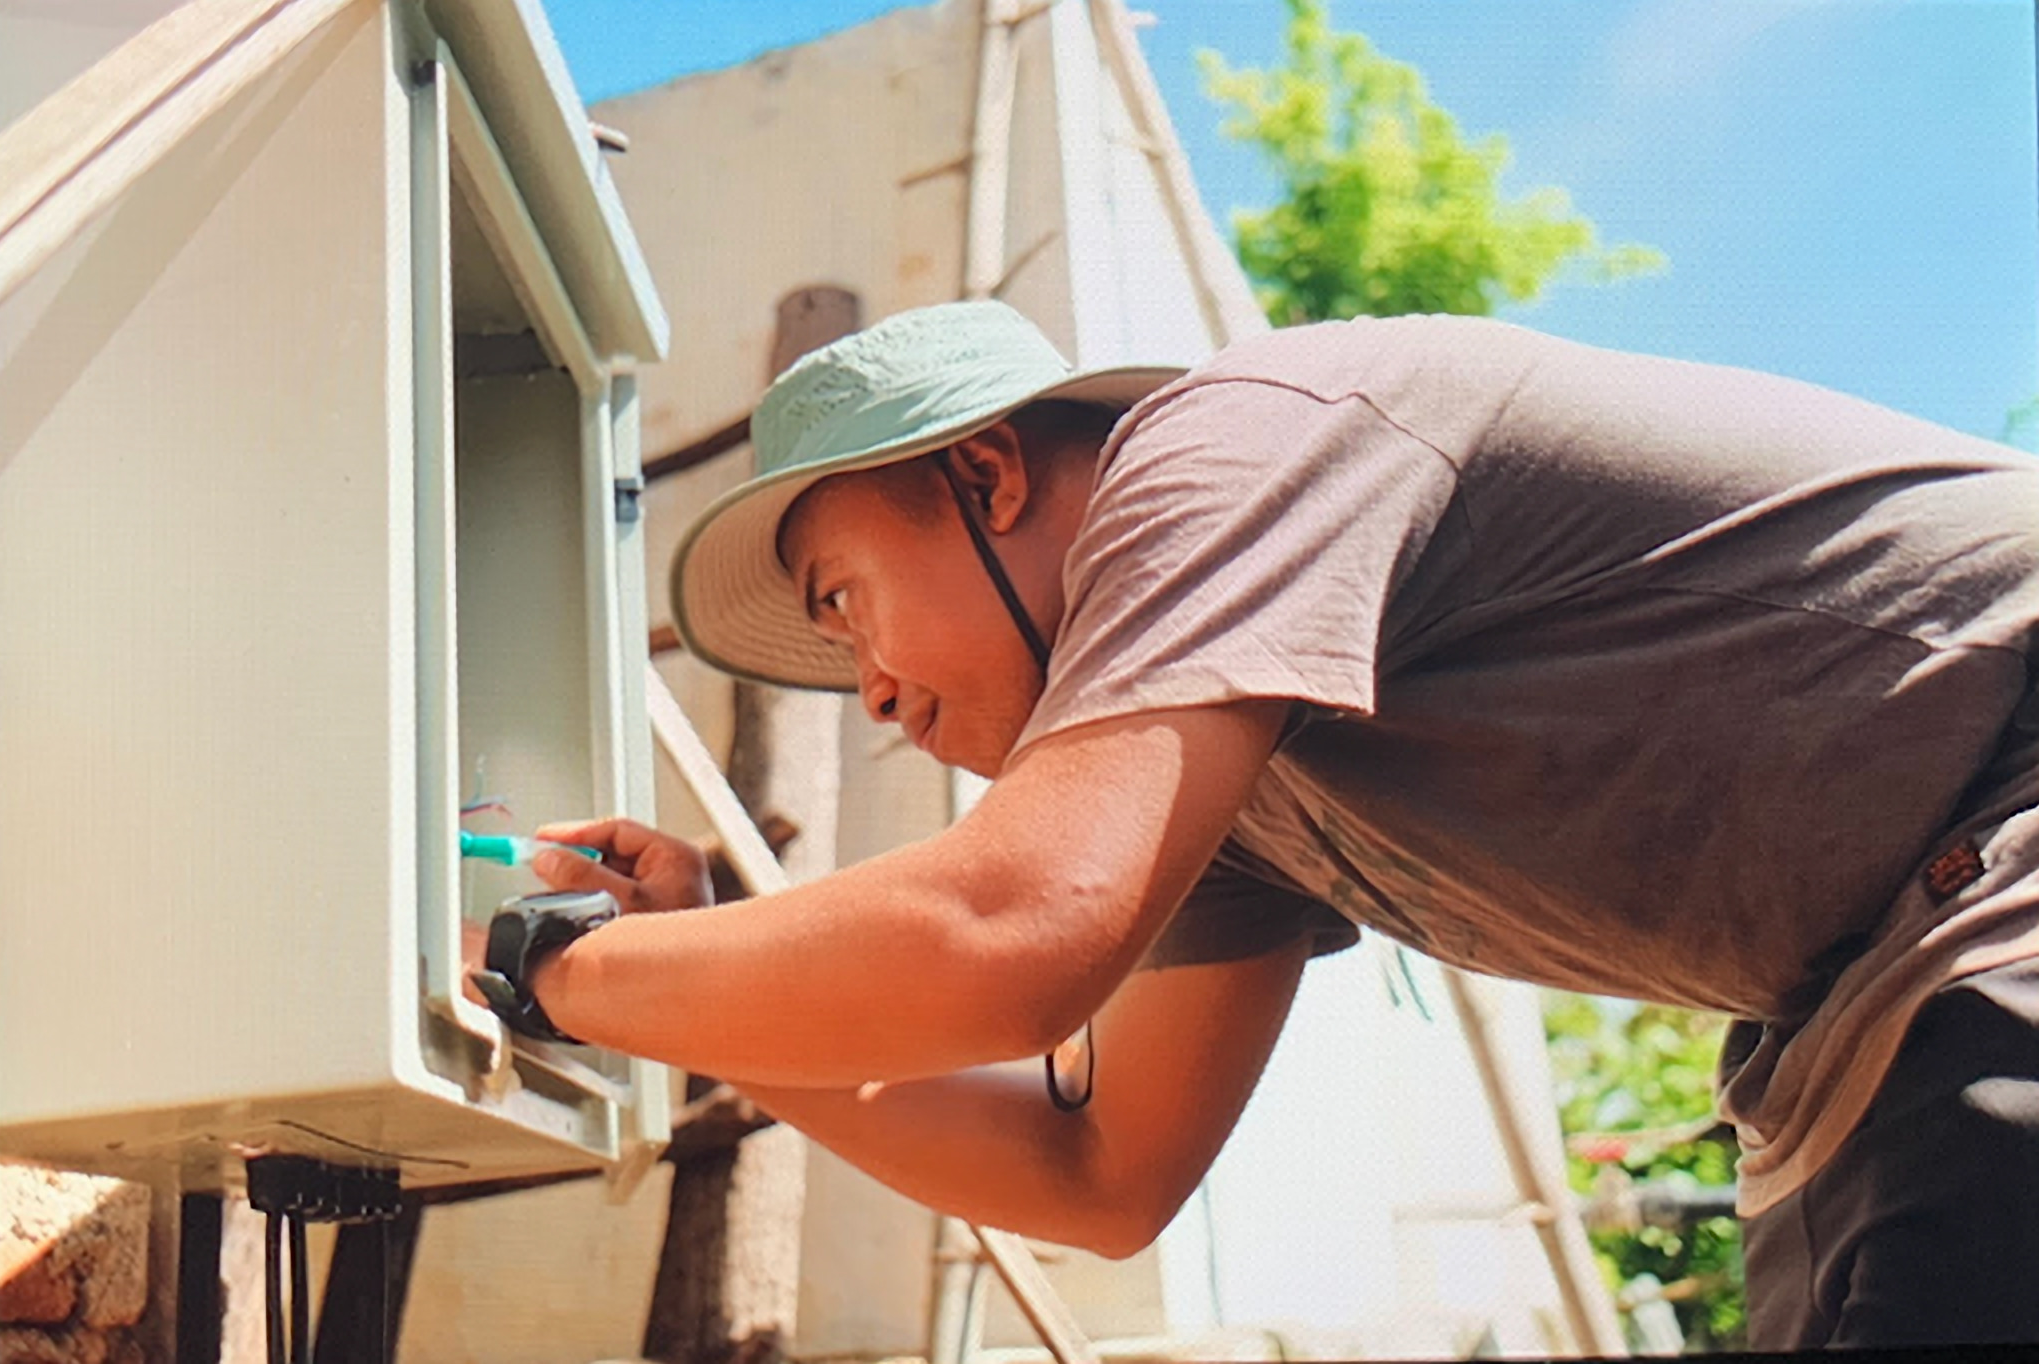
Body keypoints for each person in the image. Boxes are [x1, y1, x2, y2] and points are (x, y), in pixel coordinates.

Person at [475, 300, 2039, 1348]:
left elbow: (1004, 939)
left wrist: (553, 969)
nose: (868, 693)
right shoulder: (1228, 768)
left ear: (985, 471)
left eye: (847, 606)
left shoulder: (1233, 446)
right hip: (1872, 1011)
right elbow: (1101, 1178)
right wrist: (694, 991)